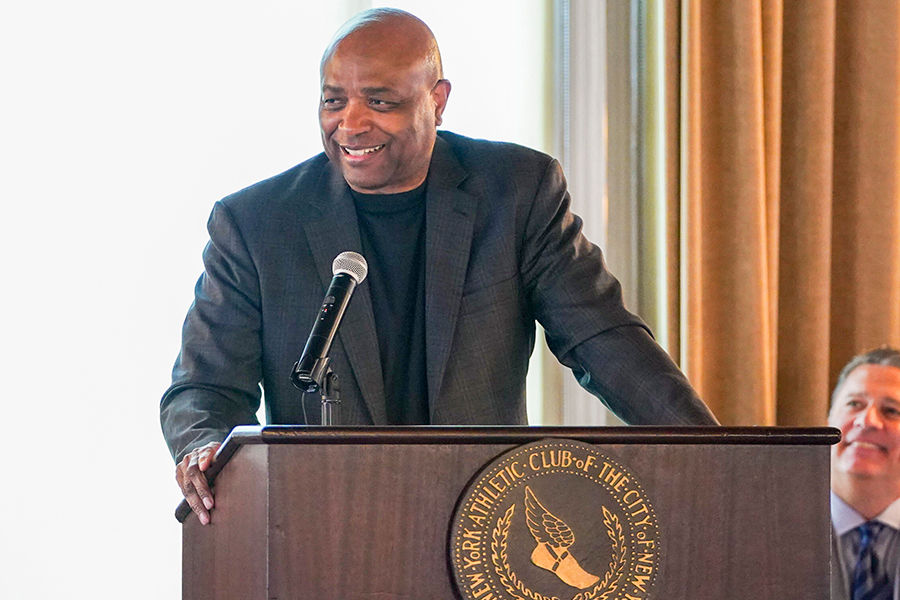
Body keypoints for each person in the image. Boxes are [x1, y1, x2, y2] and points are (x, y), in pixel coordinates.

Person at [161, 8, 719, 525]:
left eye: (380, 102)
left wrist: (713, 451)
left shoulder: (515, 192)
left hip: (487, 524)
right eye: (333, 101)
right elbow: (204, 386)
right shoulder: (256, 223)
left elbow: (603, 339)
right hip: (325, 522)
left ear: (438, 99)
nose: (350, 124)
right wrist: (201, 446)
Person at [829, 347, 900, 599]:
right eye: (854, 404)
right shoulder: (767, 529)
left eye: (891, 410)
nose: (867, 420)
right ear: (828, 421)